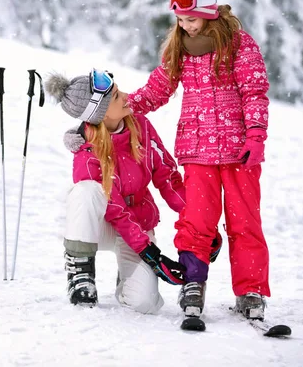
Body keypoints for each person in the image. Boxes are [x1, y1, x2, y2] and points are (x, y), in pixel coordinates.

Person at [127, 0, 271, 320]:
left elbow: (254, 93)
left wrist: (255, 136)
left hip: (239, 152)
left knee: (244, 222)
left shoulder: (239, 45)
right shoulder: (178, 48)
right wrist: (126, 107)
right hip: (196, 150)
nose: (184, 26)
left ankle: (250, 290)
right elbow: (157, 90)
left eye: (190, 19)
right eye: (179, 20)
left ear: (208, 13)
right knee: (196, 222)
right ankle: (194, 282)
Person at [44, 69, 217, 314]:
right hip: (99, 226)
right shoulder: (86, 151)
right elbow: (114, 210)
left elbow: (167, 177)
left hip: (136, 224)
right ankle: (80, 274)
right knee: (85, 192)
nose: (126, 96)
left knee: (144, 303)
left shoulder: (141, 126)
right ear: (99, 114)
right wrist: (150, 253)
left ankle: (126, 276)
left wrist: (199, 221)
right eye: (116, 97)